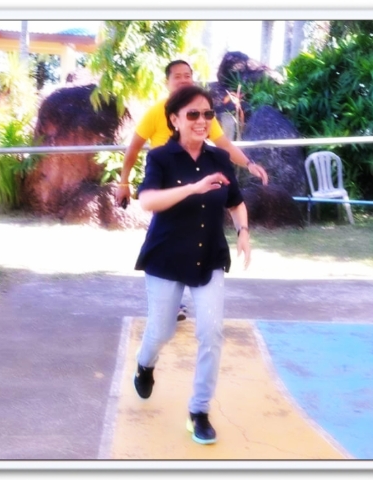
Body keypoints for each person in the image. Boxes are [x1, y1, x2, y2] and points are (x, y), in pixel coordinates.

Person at [132, 85, 251, 445]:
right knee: (162, 331)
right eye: (193, 114)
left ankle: (199, 411)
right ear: (174, 119)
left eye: (208, 114)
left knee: (211, 333)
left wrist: (243, 231)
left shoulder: (220, 159)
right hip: (166, 256)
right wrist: (193, 188)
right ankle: (145, 364)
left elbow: (235, 202)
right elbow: (148, 201)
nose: (202, 121)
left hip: (209, 256)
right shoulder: (161, 158)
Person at [116, 60, 266, 321]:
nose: (184, 79)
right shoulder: (156, 115)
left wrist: (249, 163)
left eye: (188, 75)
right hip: (167, 183)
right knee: (171, 235)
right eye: (177, 76)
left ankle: (189, 294)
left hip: (201, 176)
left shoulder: (203, 116)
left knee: (201, 234)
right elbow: (134, 148)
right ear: (167, 82)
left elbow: (223, 144)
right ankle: (169, 297)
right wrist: (124, 182)